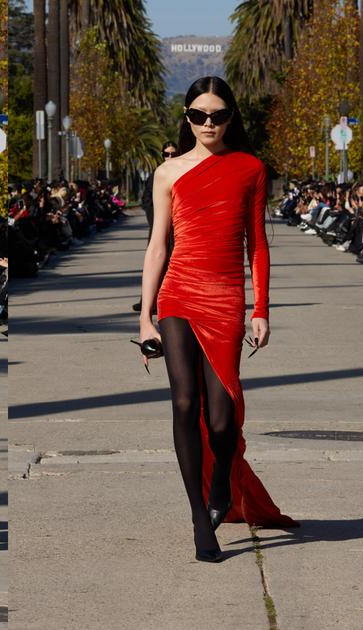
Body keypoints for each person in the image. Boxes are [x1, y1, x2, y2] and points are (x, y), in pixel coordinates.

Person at [138, 76, 297, 564]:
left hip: (225, 299)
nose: (208, 124)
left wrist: (261, 309)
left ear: (231, 118)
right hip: (178, 295)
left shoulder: (250, 168)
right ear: (186, 117)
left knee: (222, 419)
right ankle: (197, 519)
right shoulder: (167, 172)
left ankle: (223, 479)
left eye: (218, 116)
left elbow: (258, 245)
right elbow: (158, 245)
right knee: (185, 402)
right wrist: (146, 317)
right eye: (198, 116)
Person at [134, 141, 178, 312]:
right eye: (166, 154)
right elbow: (146, 199)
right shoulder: (157, 174)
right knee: (154, 262)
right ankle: (147, 300)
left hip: (178, 227)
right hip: (158, 226)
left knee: (173, 262)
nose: (169, 157)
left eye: (173, 154)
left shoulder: (182, 173)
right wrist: (155, 220)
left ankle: (171, 299)